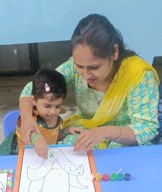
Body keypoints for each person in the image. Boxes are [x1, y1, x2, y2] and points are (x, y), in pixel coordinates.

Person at [19, 13, 160, 152]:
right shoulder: (73, 67)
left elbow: (146, 128)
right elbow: (34, 88)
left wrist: (104, 132)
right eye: (80, 66)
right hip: (86, 131)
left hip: (124, 140)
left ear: (114, 52)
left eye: (94, 67)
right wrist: (26, 118)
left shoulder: (138, 76)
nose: (86, 75)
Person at [16, 68, 77, 158]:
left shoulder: (54, 117)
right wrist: (37, 140)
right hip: (27, 156)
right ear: (33, 100)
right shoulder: (31, 119)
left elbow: (54, 136)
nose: (53, 111)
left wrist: (66, 131)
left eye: (58, 106)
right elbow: (31, 133)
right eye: (47, 106)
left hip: (46, 157)